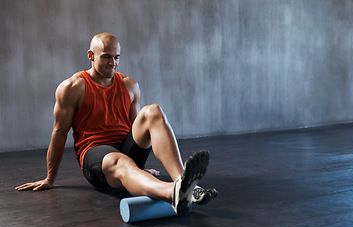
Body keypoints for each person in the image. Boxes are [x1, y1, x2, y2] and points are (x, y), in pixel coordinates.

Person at [15, 32, 217, 216]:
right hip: (97, 156)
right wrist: (49, 178)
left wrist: (140, 170)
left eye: (116, 57)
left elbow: (137, 129)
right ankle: (173, 192)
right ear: (90, 55)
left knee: (152, 111)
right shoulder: (73, 87)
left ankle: (185, 183)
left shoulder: (130, 85)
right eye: (106, 57)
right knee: (122, 161)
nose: (113, 63)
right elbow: (59, 132)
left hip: (126, 152)